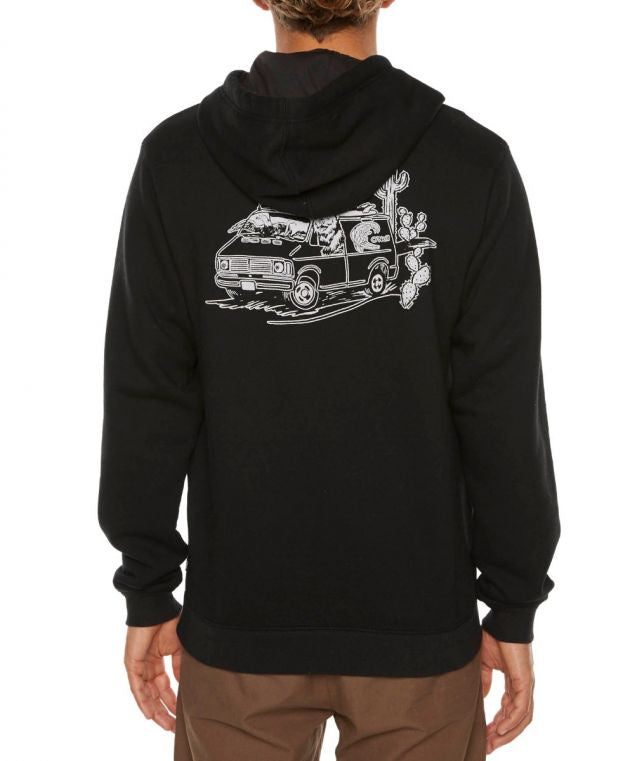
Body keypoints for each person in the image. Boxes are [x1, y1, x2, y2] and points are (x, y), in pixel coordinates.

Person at [98, 1, 560, 758]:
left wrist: (147, 585)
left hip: (240, 626)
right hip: (417, 630)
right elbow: (500, 410)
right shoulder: (473, 163)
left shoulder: (174, 161)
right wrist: (512, 601)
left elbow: (147, 394)